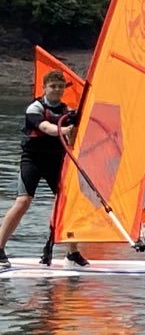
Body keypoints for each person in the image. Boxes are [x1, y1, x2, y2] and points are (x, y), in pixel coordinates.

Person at [0, 70, 88, 267]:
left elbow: (73, 139)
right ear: (45, 88)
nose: (57, 90)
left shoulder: (68, 111)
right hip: (32, 160)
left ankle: (72, 253)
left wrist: (75, 129)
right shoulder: (35, 108)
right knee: (23, 201)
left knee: (68, 202)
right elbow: (46, 128)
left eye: (60, 86)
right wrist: (64, 130)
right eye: (53, 86)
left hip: (57, 161)